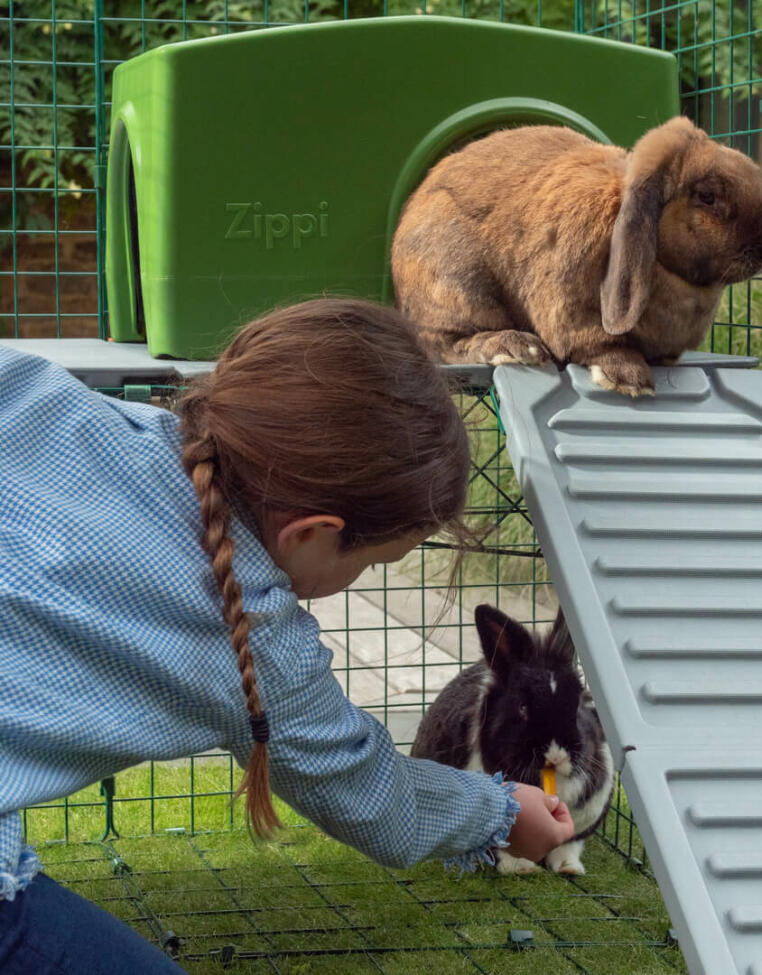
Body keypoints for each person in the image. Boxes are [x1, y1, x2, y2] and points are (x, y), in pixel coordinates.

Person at [0, 298, 575, 974]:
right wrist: (501, 813)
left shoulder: (38, 390)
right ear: (310, 533)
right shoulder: (256, 637)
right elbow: (377, 799)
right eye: (370, 562)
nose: (361, 575)